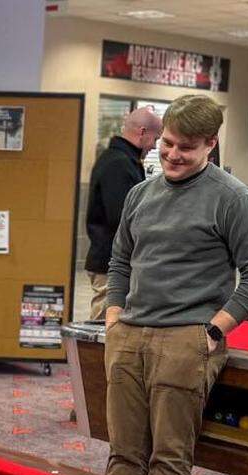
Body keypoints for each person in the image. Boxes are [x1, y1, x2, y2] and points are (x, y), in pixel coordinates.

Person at [104, 95, 248, 475]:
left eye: (186, 147)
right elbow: (120, 261)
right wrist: (114, 316)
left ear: (210, 144)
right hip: (129, 334)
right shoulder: (140, 194)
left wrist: (214, 330)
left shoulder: (233, 198)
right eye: (167, 143)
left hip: (186, 339)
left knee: (168, 459)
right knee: (123, 454)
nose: (172, 154)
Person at [84, 107, 162, 320]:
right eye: (155, 138)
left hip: (112, 259)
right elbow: (122, 218)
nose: (155, 146)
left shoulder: (121, 160)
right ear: (142, 132)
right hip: (109, 262)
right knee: (105, 324)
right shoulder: (119, 164)